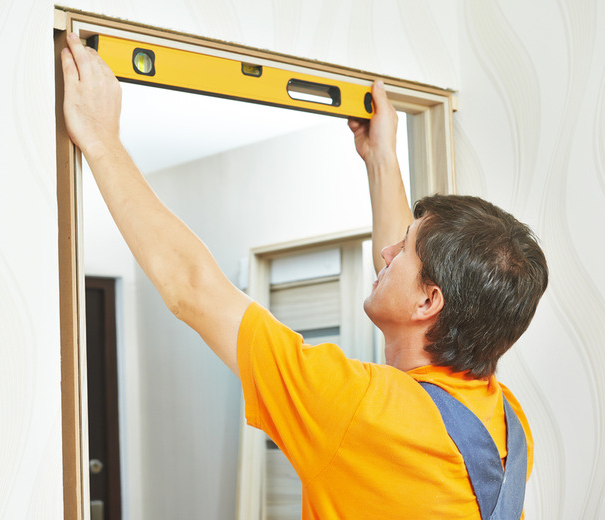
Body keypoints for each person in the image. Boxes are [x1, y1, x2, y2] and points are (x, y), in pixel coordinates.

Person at [61, 32, 548, 520]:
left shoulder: (355, 406)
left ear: (428, 302)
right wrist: (381, 158)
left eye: (402, 250)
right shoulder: (505, 422)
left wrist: (101, 139)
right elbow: (414, 281)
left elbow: (193, 288)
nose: (386, 252)